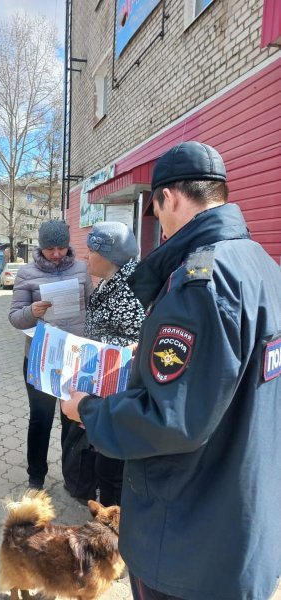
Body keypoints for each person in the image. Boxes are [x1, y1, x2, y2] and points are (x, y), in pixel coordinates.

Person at [62, 141, 281, 600]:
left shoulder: (198, 281)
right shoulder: (263, 266)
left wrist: (91, 411)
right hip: (243, 527)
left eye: (154, 209)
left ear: (170, 197)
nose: (157, 223)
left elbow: (171, 419)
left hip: (187, 541)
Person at [9, 220, 93, 489]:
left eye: (60, 247)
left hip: (76, 356)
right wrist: (31, 312)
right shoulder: (26, 273)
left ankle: (74, 478)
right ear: (40, 247)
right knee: (40, 419)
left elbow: (91, 308)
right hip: (41, 357)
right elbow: (15, 318)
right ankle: (36, 477)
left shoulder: (82, 269)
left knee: (73, 418)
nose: (56, 254)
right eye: (49, 248)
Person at [83, 221, 145, 506]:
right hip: (106, 384)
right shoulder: (112, 280)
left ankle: (113, 536)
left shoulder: (134, 288)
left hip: (121, 391)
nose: (86, 256)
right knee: (104, 465)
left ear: (108, 255)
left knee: (112, 471)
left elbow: (141, 341)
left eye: (91, 250)